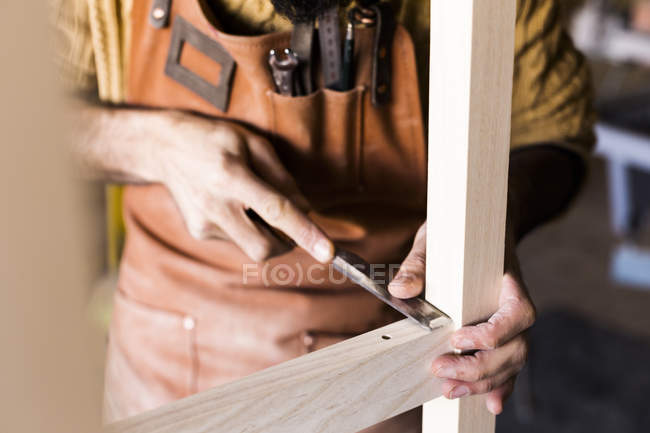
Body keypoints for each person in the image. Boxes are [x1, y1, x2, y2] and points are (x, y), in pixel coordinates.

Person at [55, 0, 595, 431]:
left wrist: (478, 228)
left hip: (394, 367)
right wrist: (147, 145)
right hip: (162, 362)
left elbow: (555, 133)